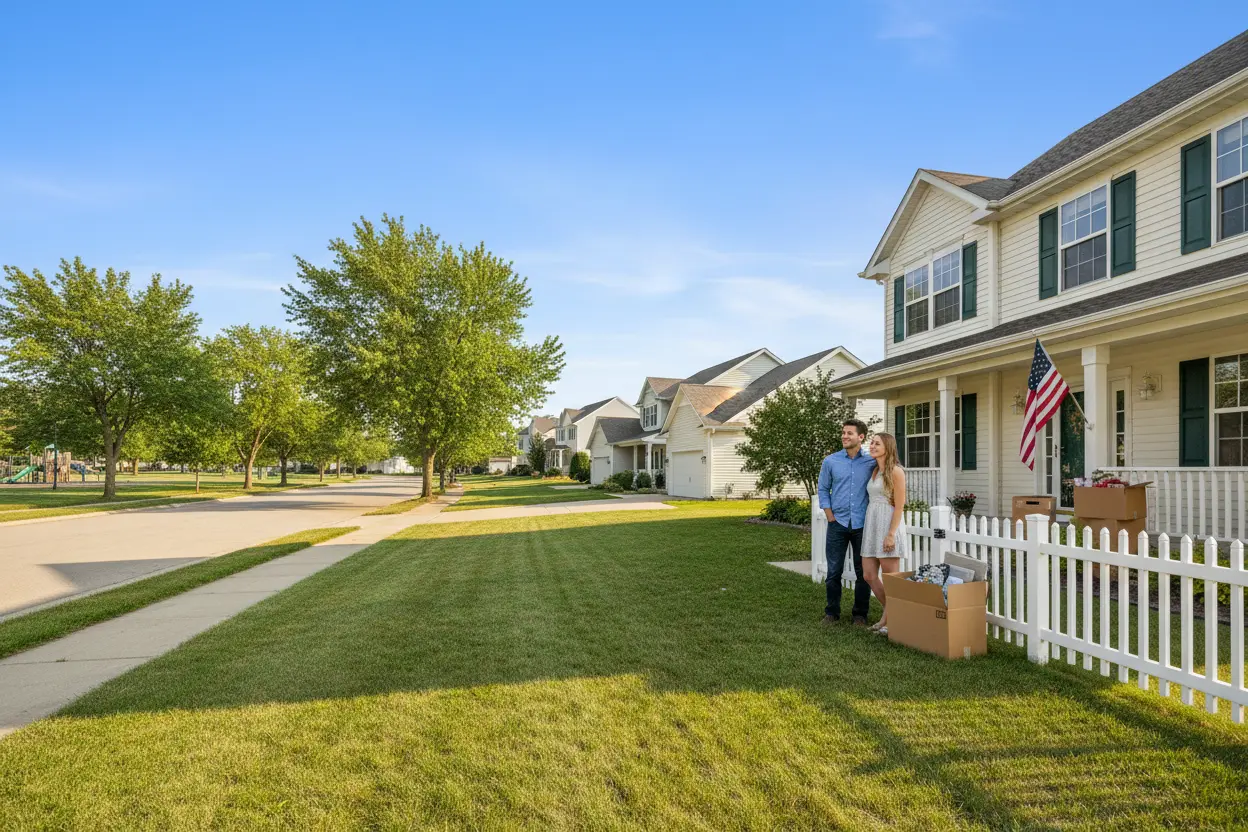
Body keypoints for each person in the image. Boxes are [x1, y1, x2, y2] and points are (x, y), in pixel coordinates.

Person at [816, 419, 876, 626]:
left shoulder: (871, 462)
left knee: (863, 572)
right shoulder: (830, 461)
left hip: (862, 524)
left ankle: (860, 614)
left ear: (861, 437)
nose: (844, 436)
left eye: (849, 433)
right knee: (834, 571)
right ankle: (832, 612)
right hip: (837, 523)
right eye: (843, 432)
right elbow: (823, 489)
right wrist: (829, 515)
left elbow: (891, 470)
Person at [860, 432, 907, 635]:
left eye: (877, 443)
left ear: (887, 447)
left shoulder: (896, 471)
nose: (872, 446)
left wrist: (891, 534)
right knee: (869, 575)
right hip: (872, 524)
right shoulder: (874, 471)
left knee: (891, 580)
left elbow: (900, 506)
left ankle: (887, 622)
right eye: (871, 443)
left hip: (888, 525)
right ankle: (893, 614)